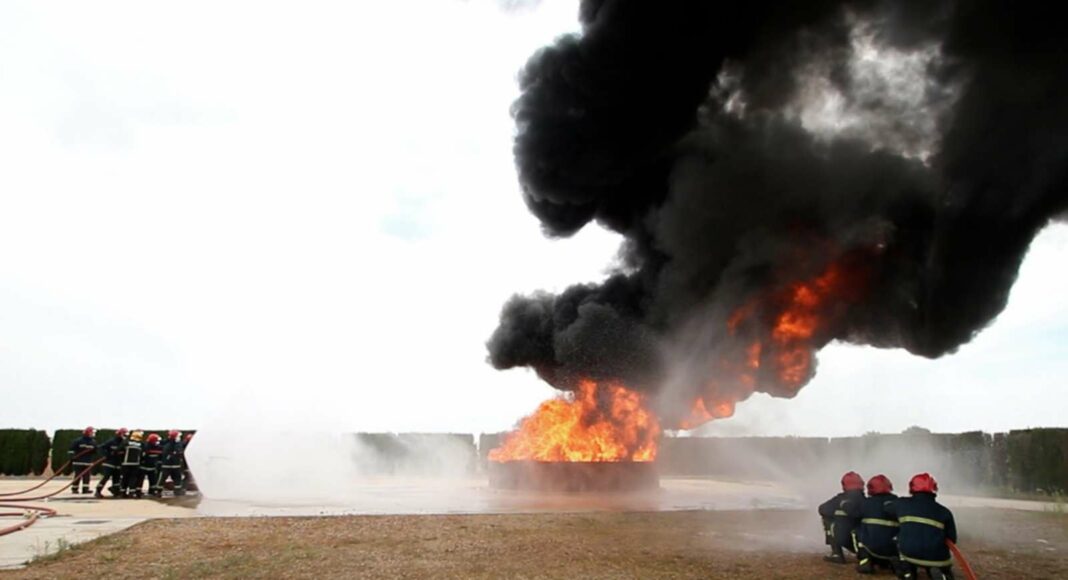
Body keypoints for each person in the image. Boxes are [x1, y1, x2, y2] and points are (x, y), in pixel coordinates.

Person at [894, 473, 958, 580]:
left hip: (909, 554)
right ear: (934, 489)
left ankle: (908, 571)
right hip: (937, 558)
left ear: (911, 487)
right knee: (939, 564)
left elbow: (887, 508)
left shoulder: (901, 504)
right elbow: (952, 539)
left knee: (899, 544)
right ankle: (941, 573)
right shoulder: (945, 512)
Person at [855, 474, 899, 574]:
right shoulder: (898, 502)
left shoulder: (865, 503)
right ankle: (898, 562)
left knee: (856, 529)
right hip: (893, 548)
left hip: (871, 548)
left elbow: (854, 515)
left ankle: (864, 560)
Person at [818, 471, 865, 564]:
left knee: (827, 520)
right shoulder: (867, 501)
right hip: (863, 544)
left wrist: (836, 515)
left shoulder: (839, 499)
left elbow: (822, 509)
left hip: (844, 539)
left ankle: (837, 553)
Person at [95, 428, 128, 498]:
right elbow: (101, 448)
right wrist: (107, 455)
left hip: (118, 463)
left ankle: (115, 491)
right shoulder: (112, 441)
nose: (125, 436)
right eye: (124, 435)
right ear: (120, 434)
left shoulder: (124, 443)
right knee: (106, 477)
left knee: (117, 479)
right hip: (109, 463)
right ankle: (98, 491)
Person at [69, 426, 98, 494]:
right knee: (77, 476)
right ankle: (74, 489)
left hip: (88, 462)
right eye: (92, 432)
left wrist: (94, 450)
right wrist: (72, 457)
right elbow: (71, 450)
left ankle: (85, 489)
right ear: (88, 432)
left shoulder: (93, 442)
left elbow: (95, 452)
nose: (93, 434)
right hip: (78, 462)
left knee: (87, 476)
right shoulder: (78, 441)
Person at [158, 430, 186, 496]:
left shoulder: (166, 444)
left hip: (166, 466)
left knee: (162, 479)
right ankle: (177, 492)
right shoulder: (177, 445)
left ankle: (158, 491)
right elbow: (179, 452)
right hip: (175, 466)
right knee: (177, 479)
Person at [120, 431, 145, 498]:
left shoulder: (126, 442)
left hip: (125, 463)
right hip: (136, 464)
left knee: (125, 478)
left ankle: (123, 492)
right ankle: (131, 492)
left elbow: (119, 449)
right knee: (133, 478)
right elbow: (143, 453)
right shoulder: (141, 444)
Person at [141, 433, 164, 497]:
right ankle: (138, 491)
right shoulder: (146, 446)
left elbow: (161, 449)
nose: (157, 442)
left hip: (152, 467)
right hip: (144, 466)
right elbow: (144, 454)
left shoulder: (157, 446)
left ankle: (152, 491)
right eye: (156, 441)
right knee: (140, 479)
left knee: (153, 479)